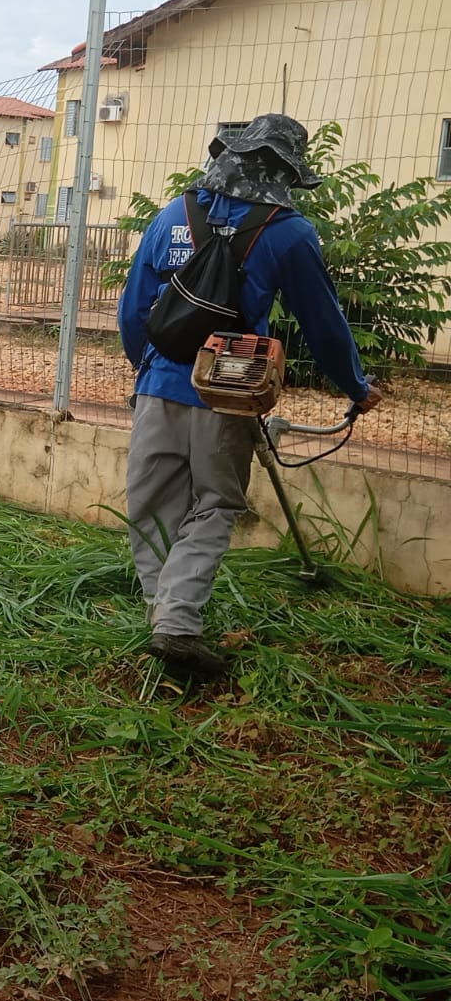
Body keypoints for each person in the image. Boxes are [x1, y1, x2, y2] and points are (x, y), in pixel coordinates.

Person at [117, 113, 380, 684]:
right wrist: (356, 387)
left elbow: (134, 307)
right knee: (215, 503)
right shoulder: (288, 232)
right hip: (228, 388)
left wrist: (148, 373)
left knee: (153, 502)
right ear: (284, 172)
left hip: (159, 381)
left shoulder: (173, 215)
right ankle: (176, 624)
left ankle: (160, 610)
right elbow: (323, 323)